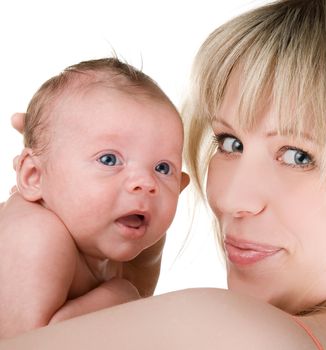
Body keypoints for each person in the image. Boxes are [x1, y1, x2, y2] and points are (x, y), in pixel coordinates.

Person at [2, 0, 326, 349]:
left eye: (299, 155)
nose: (229, 199)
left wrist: (34, 217)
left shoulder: (223, 328)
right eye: (230, 144)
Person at [0, 58, 189, 338]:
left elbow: (137, 301)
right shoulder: (36, 235)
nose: (147, 184)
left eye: (162, 168)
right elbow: (25, 344)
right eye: (110, 159)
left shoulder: (113, 239)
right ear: (33, 176)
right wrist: (119, 295)